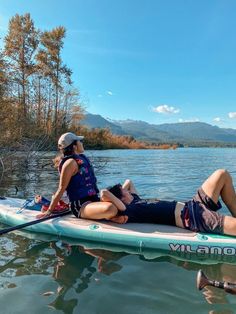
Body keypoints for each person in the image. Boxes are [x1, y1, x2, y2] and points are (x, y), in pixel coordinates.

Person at [100, 169, 236, 237]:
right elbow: (104, 193)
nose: (127, 191)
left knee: (221, 174)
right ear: (120, 199)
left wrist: (120, 190)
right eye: (124, 192)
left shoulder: (135, 200)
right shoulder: (129, 209)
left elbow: (129, 181)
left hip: (193, 204)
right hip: (193, 218)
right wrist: (114, 195)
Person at [37, 132, 117, 220]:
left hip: (94, 199)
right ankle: (113, 216)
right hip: (80, 206)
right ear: (74, 146)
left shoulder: (82, 158)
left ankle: (114, 216)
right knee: (111, 208)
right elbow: (61, 189)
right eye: (79, 141)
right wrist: (49, 211)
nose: (82, 143)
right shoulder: (70, 163)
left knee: (120, 193)